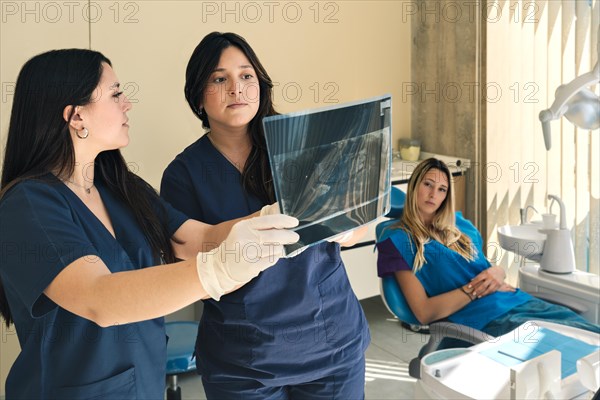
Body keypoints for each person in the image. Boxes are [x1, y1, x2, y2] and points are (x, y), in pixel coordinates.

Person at [0, 49, 300, 399]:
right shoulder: (28, 205)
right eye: (115, 94)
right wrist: (216, 273)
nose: (127, 104)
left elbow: (194, 239)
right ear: (77, 116)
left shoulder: (120, 187)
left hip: (142, 384)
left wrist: (283, 216)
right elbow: (99, 298)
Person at [160, 32, 370, 399]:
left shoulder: (301, 143)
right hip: (245, 362)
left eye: (246, 76)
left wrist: (340, 223)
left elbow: (355, 228)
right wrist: (266, 220)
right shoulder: (184, 173)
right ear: (197, 94)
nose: (236, 89)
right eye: (219, 78)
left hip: (331, 342)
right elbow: (185, 251)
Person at [376, 157, 599, 339]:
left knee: (590, 336)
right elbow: (424, 313)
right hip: (486, 318)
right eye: (428, 184)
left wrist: (497, 272)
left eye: (442, 189)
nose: (434, 194)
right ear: (414, 185)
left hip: (517, 302)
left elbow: (485, 269)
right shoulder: (398, 241)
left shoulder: (459, 226)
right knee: (568, 348)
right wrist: (475, 290)